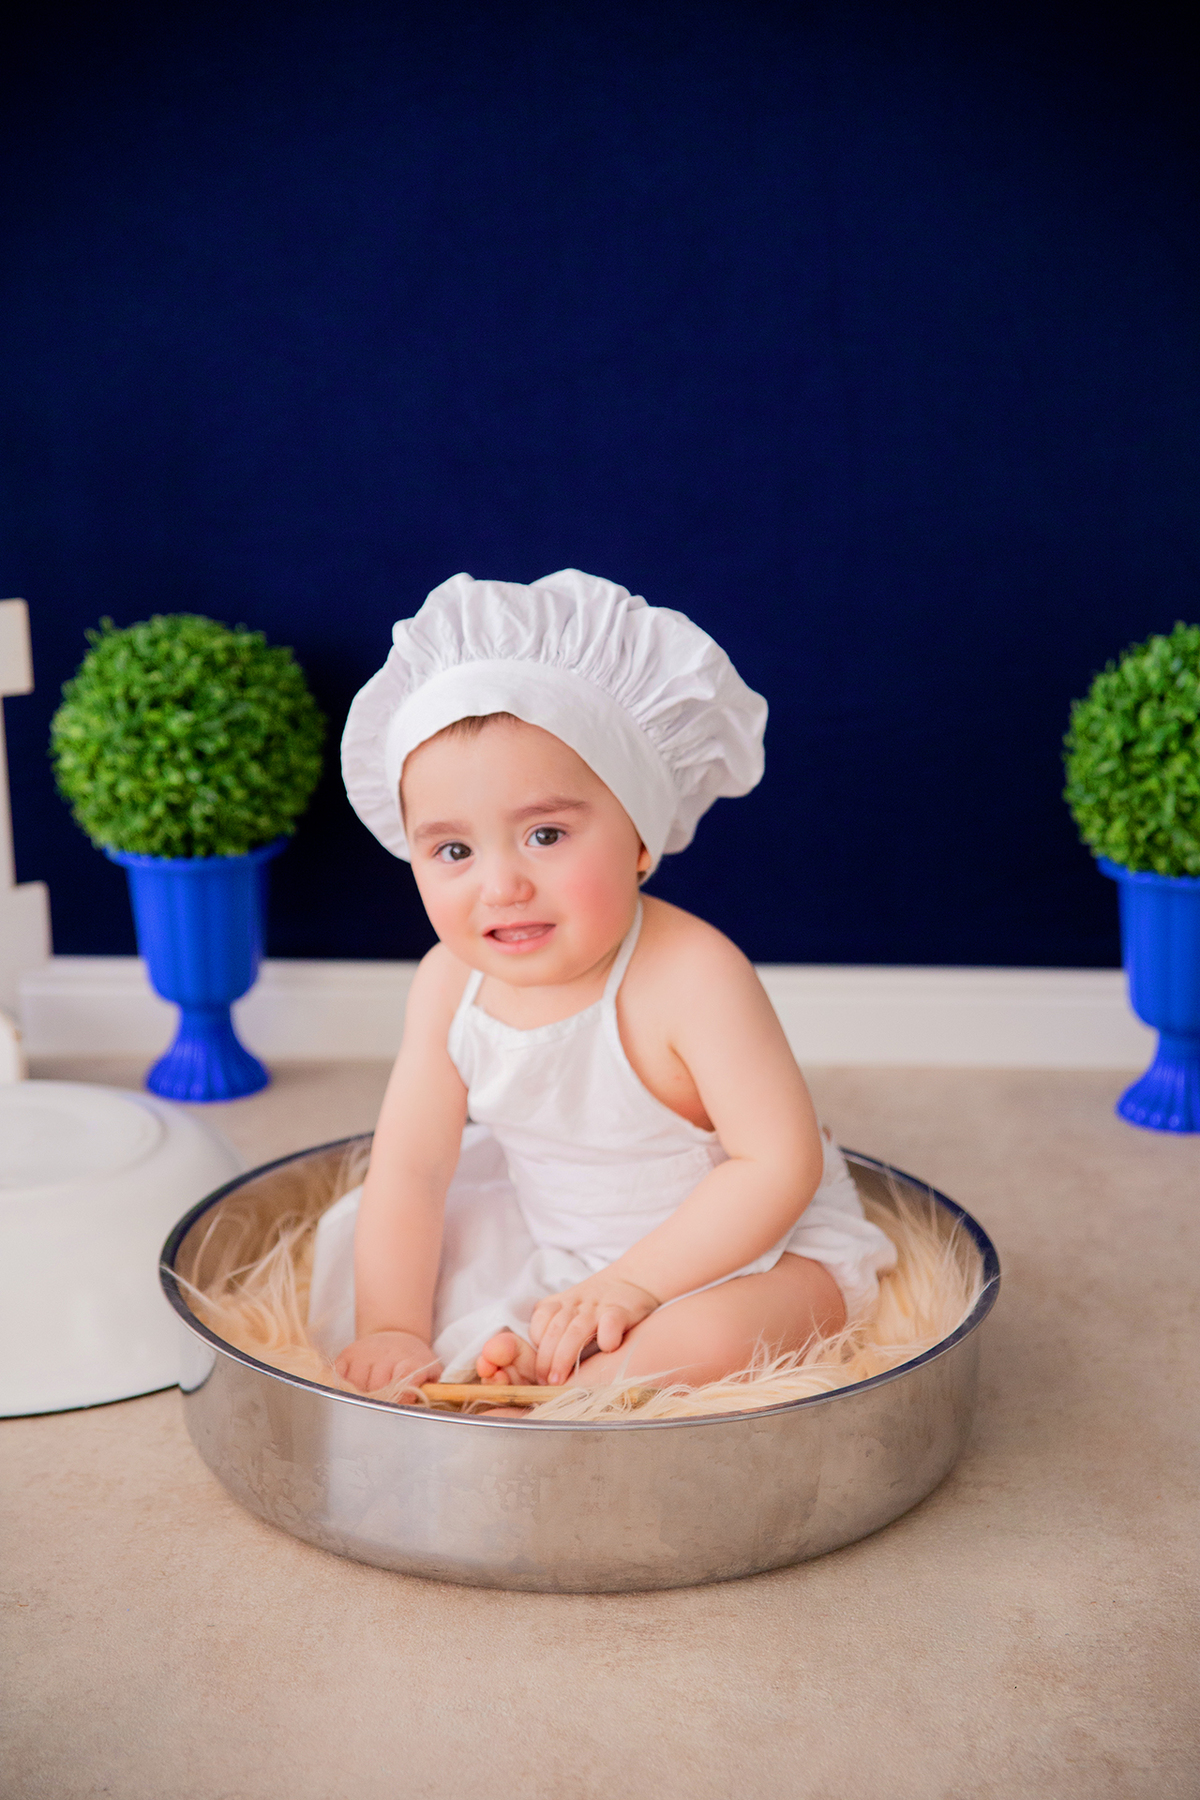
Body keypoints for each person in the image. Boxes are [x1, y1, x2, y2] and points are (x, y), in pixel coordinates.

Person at [310, 569, 895, 1396]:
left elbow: (776, 1165)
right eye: (453, 851)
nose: (500, 885)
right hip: (567, 1248)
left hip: (748, 1246)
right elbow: (411, 1169)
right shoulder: (450, 983)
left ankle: (586, 1383)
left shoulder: (692, 974)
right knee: (388, 1252)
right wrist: (391, 1327)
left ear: (640, 840)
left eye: (545, 834)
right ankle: (521, 1360)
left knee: (718, 1332)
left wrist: (634, 1287)